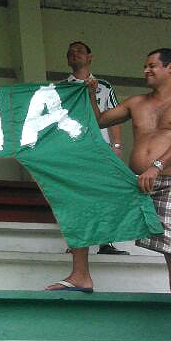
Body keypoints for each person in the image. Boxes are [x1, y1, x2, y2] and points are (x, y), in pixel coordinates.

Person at [46, 48, 171, 341]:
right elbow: (97, 121)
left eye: (152, 66)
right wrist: (90, 95)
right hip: (134, 181)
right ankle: (81, 275)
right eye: (145, 66)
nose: (146, 70)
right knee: (86, 199)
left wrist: (157, 167)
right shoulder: (137, 102)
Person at [62, 41, 127, 255]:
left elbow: (114, 116)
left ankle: (105, 242)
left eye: (79, 51)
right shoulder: (62, 87)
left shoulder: (104, 87)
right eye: (71, 52)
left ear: (90, 57)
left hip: (101, 148)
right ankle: (77, 243)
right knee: (76, 195)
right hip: (74, 149)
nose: (74, 54)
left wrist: (116, 146)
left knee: (104, 194)